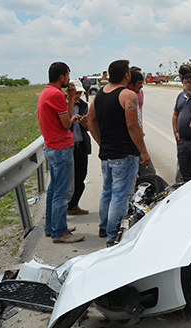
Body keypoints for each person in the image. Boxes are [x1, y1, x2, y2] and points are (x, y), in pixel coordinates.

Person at [86, 59, 151, 246]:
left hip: (106, 154)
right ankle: (113, 235)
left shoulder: (99, 94)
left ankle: (104, 226)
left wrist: (100, 141)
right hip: (124, 154)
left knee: (107, 191)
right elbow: (132, 125)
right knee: (120, 194)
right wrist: (143, 152)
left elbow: (90, 119)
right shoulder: (127, 95)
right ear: (126, 75)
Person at [37, 62, 84, 243]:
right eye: (67, 75)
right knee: (62, 192)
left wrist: (71, 98)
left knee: (54, 189)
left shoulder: (46, 92)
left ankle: (52, 227)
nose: (68, 79)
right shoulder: (56, 94)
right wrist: (68, 103)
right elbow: (66, 124)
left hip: (52, 146)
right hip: (61, 148)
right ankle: (60, 232)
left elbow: (66, 117)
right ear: (61, 76)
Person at [66, 80, 92, 216]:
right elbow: (62, 126)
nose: (78, 96)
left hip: (81, 145)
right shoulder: (63, 104)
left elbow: (88, 128)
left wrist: (85, 123)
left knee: (80, 178)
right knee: (68, 180)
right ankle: (66, 206)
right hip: (68, 147)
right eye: (76, 93)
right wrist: (71, 121)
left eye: (80, 93)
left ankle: (73, 205)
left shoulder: (83, 105)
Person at [126, 68, 156, 176]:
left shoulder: (135, 94)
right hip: (131, 143)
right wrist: (143, 151)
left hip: (135, 140)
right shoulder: (128, 98)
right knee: (148, 173)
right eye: (139, 83)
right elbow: (132, 125)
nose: (141, 86)